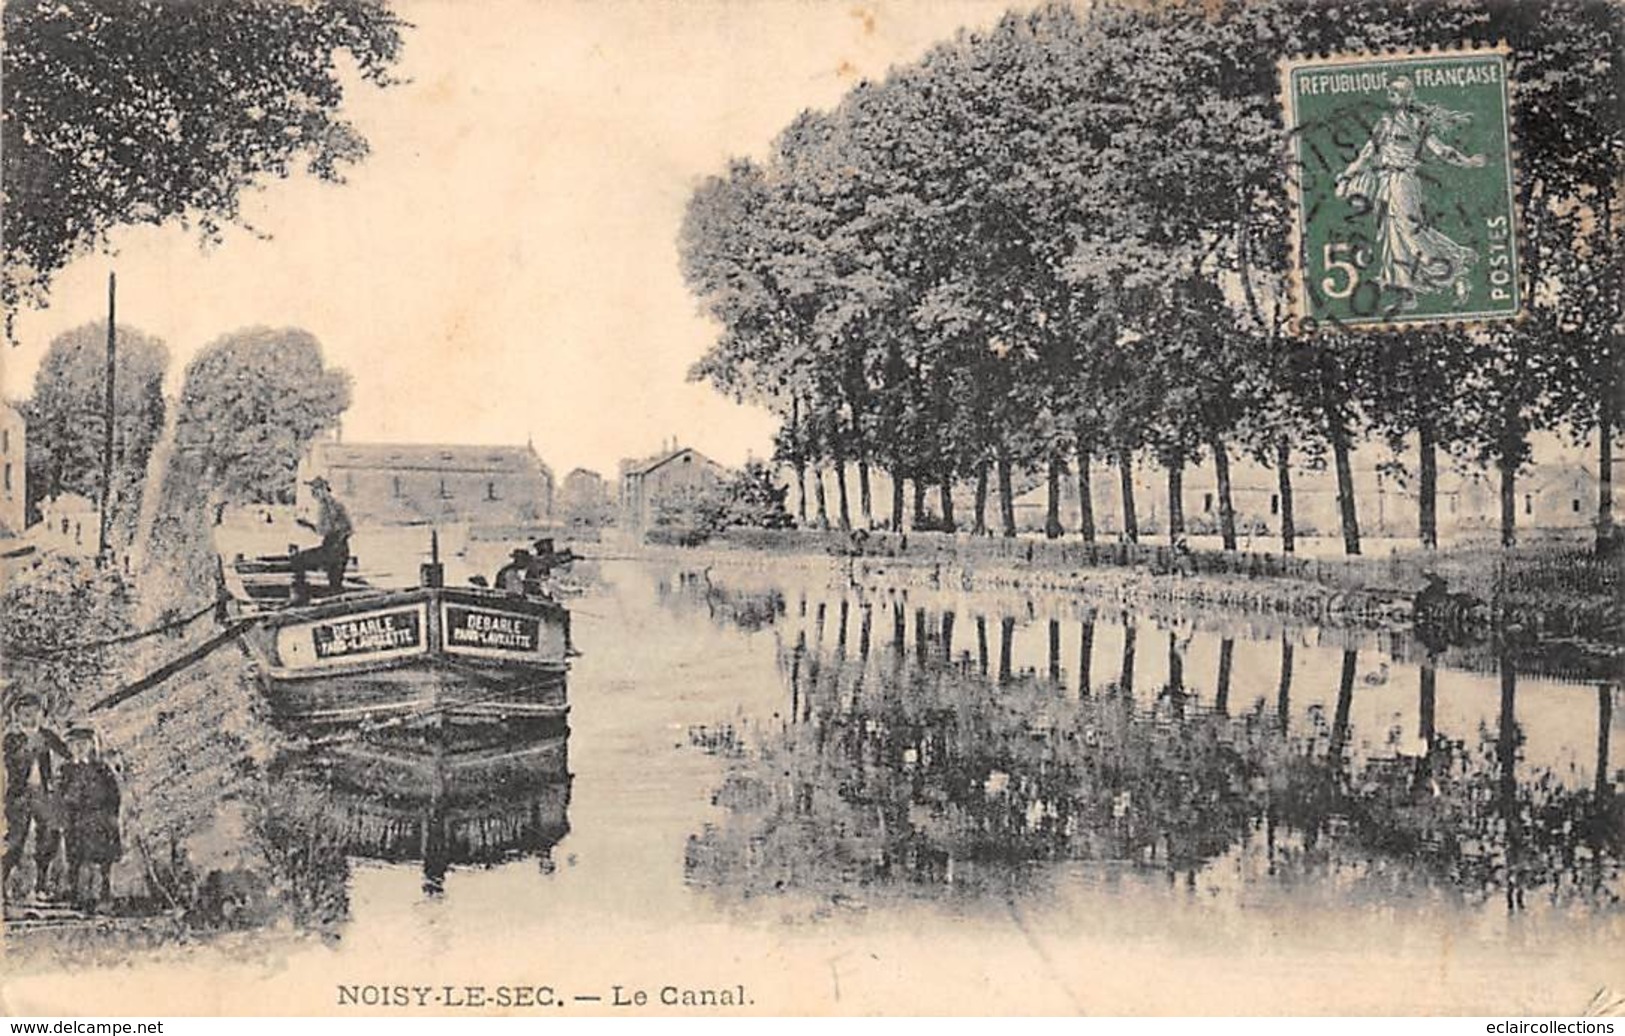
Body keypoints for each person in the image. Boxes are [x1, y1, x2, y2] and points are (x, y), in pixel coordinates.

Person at [1335, 76, 1487, 310]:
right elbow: (1367, 154)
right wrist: (1347, 175)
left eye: (1397, 91)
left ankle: (1454, 272)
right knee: (1391, 234)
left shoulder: (1418, 124)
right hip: (1385, 182)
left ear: (1407, 96)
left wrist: (1469, 162)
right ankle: (1405, 292)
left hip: (1405, 181)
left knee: (1410, 231)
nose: (1391, 94)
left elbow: (1442, 151)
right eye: (1390, 90)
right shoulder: (1385, 124)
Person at [3, 694, 68, 901]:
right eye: (24, 712)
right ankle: (3, 884)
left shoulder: (47, 735)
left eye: (33, 711)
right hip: (20, 795)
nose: (29, 716)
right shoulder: (12, 738)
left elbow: (67, 752)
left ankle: (41, 885)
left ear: (40, 713)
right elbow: (11, 761)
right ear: (17, 714)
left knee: (49, 835)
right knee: (16, 840)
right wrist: (31, 747)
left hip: (42, 792)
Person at [57, 728, 122, 911]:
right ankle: (77, 896)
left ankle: (104, 893)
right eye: (75, 744)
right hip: (77, 820)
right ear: (69, 747)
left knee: (104, 858)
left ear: (91, 745)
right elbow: (61, 796)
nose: (79, 747)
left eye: (83, 743)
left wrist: (111, 815)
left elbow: (114, 794)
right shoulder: (66, 770)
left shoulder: (101, 768)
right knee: (76, 859)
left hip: (100, 818)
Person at [291, 477, 354, 590]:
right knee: (335, 584)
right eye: (312, 491)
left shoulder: (330, 505)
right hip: (336, 549)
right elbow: (325, 530)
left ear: (323, 490)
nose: (313, 494)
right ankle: (303, 592)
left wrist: (307, 524)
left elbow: (342, 529)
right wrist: (308, 525)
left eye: (315, 490)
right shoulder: (330, 504)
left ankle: (300, 593)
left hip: (335, 549)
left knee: (298, 559)